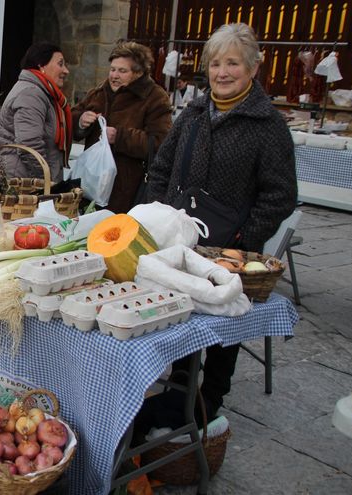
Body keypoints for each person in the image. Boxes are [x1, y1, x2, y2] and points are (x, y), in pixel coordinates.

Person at [135, 23, 297, 434]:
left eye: (233, 63)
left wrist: (244, 240)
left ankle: (209, 403)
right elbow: (161, 169)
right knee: (182, 318)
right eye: (215, 64)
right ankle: (180, 392)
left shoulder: (267, 126)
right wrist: (159, 215)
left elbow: (279, 195)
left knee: (223, 325)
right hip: (177, 243)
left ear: (254, 68)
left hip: (226, 250)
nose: (222, 72)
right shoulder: (192, 114)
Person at [72, 42, 172, 213]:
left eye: (122, 71)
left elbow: (161, 143)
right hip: (92, 186)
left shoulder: (155, 97)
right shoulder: (98, 93)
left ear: (139, 73)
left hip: (129, 189)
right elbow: (71, 120)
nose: (114, 75)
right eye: (112, 69)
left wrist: (120, 137)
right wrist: (81, 121)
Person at [0, 42, 73, 184]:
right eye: (60, 64)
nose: (66, 71)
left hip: (28, 180)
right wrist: (45, 181)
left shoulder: (42, 92)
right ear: (41, 65)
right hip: (25, 184)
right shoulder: (31, 94)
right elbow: (29, 144)